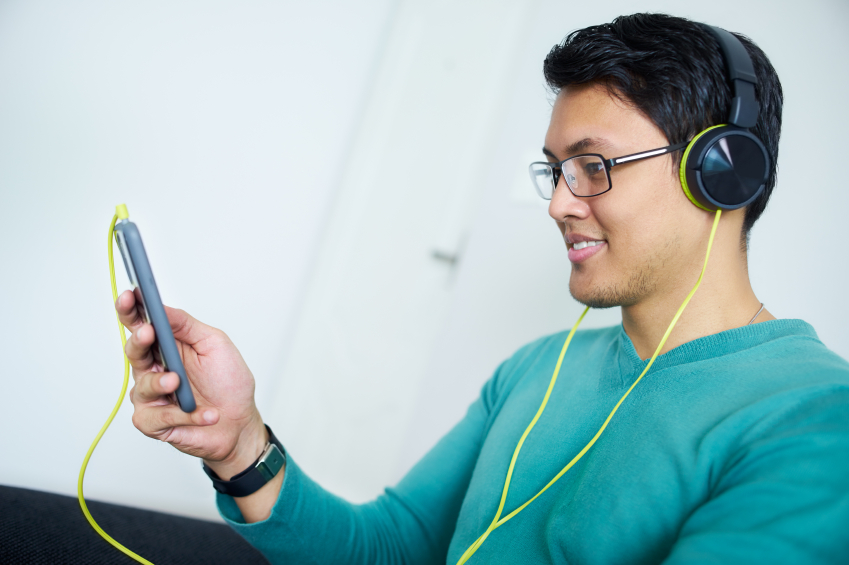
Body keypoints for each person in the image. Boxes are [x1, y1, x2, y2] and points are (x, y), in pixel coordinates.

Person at [115, 13, 849, 565]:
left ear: (721, 171)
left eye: (593, 166)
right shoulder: (535, 370)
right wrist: (239, 442)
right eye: (554, 169)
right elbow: (391, 548)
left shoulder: (814, 417)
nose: (559, 203)